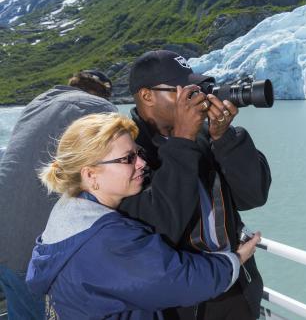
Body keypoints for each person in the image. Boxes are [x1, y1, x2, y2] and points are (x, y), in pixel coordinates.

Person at [26, 113, 261, 319]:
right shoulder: (106, 241)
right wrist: (235, 260)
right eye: (127, 159)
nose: (141, 163)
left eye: (137, 153)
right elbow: (178, 280)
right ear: (91, 175)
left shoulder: (68, 216)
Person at [120, 50, 271, 320]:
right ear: (147, 96)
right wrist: (182, 141)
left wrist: (226, 139)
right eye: (183, 90)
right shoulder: (125, 154)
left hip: (235, 289)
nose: (196, 96)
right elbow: (160, 226)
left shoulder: (205, 136)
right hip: (181, 305)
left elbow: (253, 196)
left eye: (197, 88)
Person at [0, 70, 116, 320]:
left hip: (5, 236)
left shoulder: (37, 104)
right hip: (36, 250)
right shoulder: (97, 108)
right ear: (102, 92)